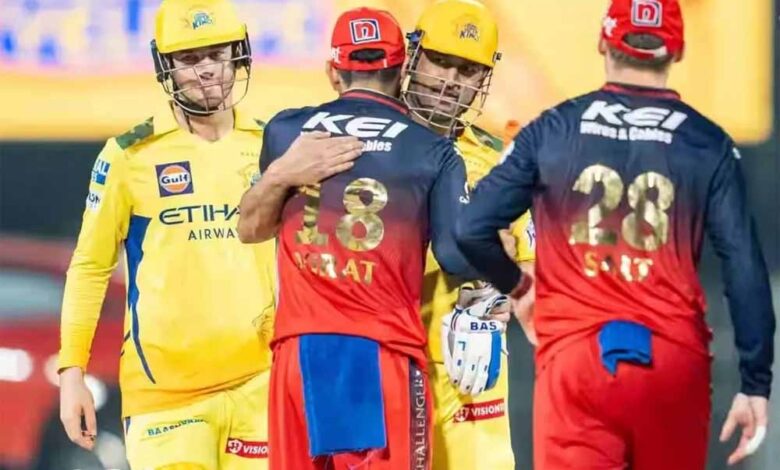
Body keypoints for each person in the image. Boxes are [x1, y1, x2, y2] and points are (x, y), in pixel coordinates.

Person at [454, 0, 775, 468]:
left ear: (604, 43)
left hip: (576, 356)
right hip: (671, 361)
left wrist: (520, 287)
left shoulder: (552, 130)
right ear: (677, 52)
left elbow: (471, 227)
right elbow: (744, 269)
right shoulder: (707, 143)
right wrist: (755, 383)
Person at [237, 7, 508, 470]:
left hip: (297, 352)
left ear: (333, 71)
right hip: (380, 352)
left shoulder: (286, 131)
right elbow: (453, 254)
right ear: (403, 68)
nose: (449, 82)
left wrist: (281, 173)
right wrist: (489, 280)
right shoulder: (435, 151)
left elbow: (250, 229)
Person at [59, 0, 285, 467]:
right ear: (165, 67)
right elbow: (90, 267)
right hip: (166, 399)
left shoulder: (271, 146)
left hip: (260, 386)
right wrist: (71, 372)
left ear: (237, 55)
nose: (207, 70)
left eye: (216, 54)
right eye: (189, 59)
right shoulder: (130, 155)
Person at [398, 1, 536, 468]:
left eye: (468, 70)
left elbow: (533, 279)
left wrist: (491, 307)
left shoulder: (500, 162)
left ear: (484, 79)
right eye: (440, 62)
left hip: (470, 376)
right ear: (413, 56)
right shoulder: (365, 142)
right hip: (381, 367)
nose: (451, 81)